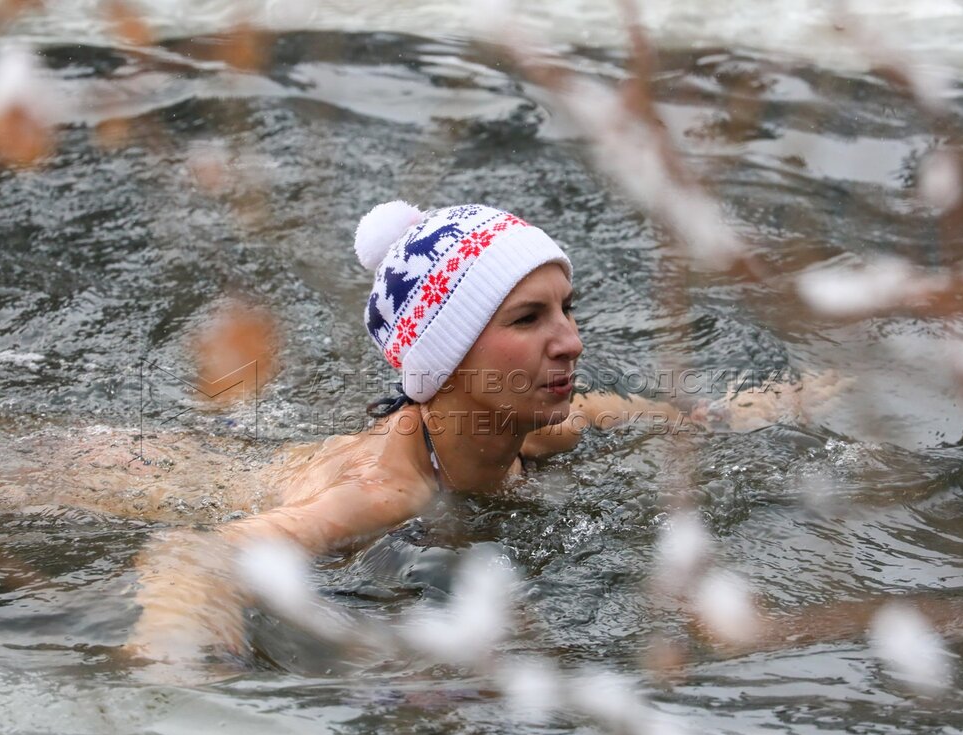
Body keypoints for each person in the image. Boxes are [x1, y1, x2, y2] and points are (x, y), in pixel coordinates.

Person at [125, 200, 824, 668]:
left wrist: (820, 392)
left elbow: (699, 416)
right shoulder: (382, 492)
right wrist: (185, 682)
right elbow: (194, 557)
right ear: (445, 359)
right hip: (138, 473)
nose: (571, 341)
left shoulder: (551, 431)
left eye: (566, 309)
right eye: (528, 319)